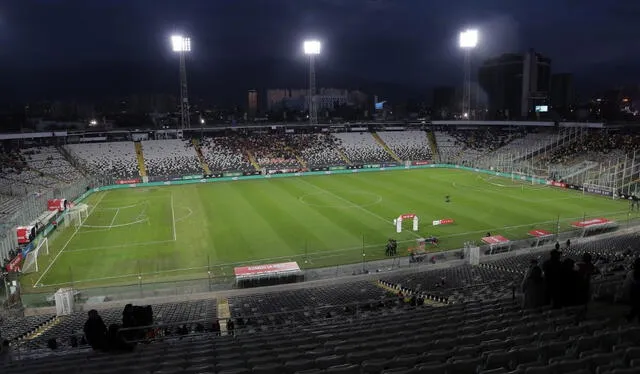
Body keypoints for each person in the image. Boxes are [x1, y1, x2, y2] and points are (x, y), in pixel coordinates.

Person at [623, 258, 640, 322]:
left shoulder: (631, 273)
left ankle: (630, 317)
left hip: (634, 295)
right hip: (635, 295)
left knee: (636, 307)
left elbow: (626, 286)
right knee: (636, 308)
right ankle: (630, 317)